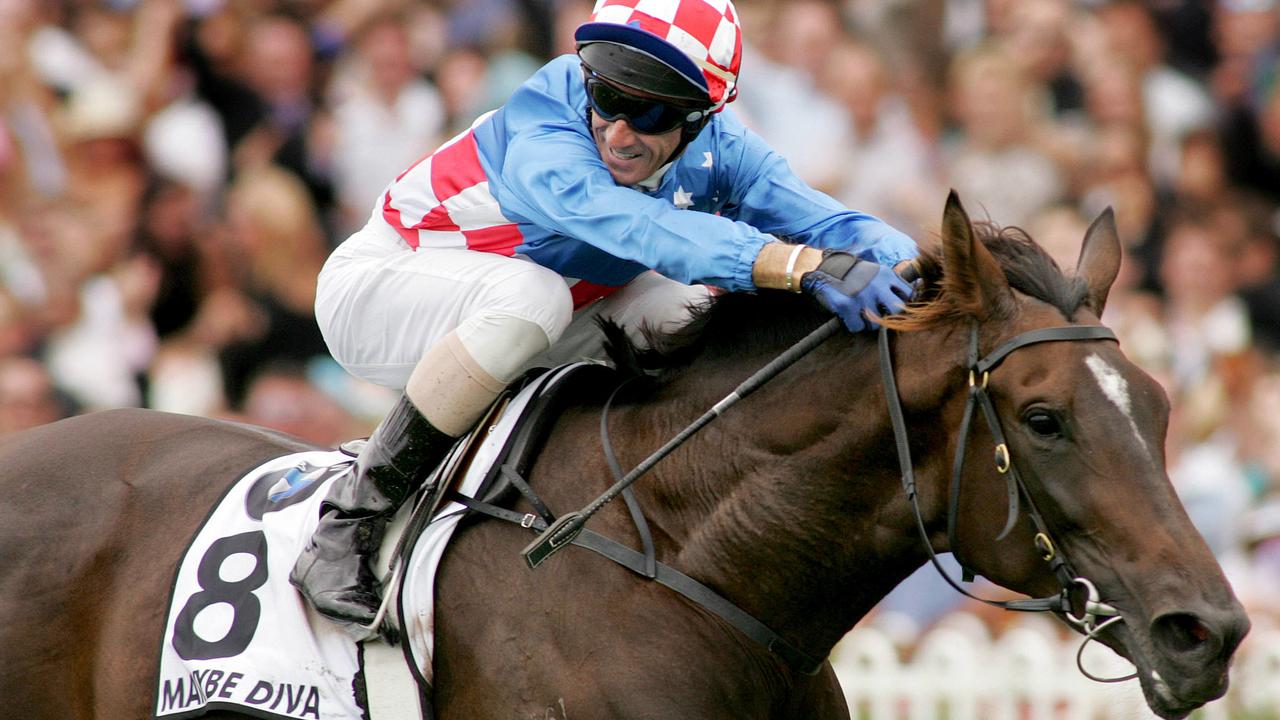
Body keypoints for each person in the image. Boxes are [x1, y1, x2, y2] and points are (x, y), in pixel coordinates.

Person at [292, 0, 919, 627]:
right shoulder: (546, 112)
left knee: (687, 307)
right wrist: (800, 266)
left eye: (650, 112)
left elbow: (832, 223)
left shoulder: (725, 150)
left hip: (526, 306)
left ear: (702, 118)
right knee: (536, 297)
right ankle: (351, 522)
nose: (618, 132)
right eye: (607, 95)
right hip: (376, 291)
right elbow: (640, 230)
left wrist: (927, 275)